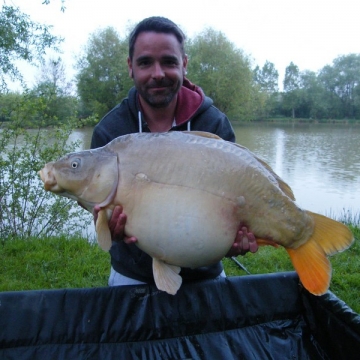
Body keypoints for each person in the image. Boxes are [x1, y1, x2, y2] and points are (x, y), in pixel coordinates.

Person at [91, 16, 258, 287]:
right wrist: (109, 228)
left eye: (168, 61)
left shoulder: (213, 124)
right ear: (130, 67)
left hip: (205, 273)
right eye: (145, 62)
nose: (158, 73)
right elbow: (99, 213)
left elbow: (237, 202)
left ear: (184, 64)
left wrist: (233, 239)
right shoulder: (111, 132)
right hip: (132, 273)